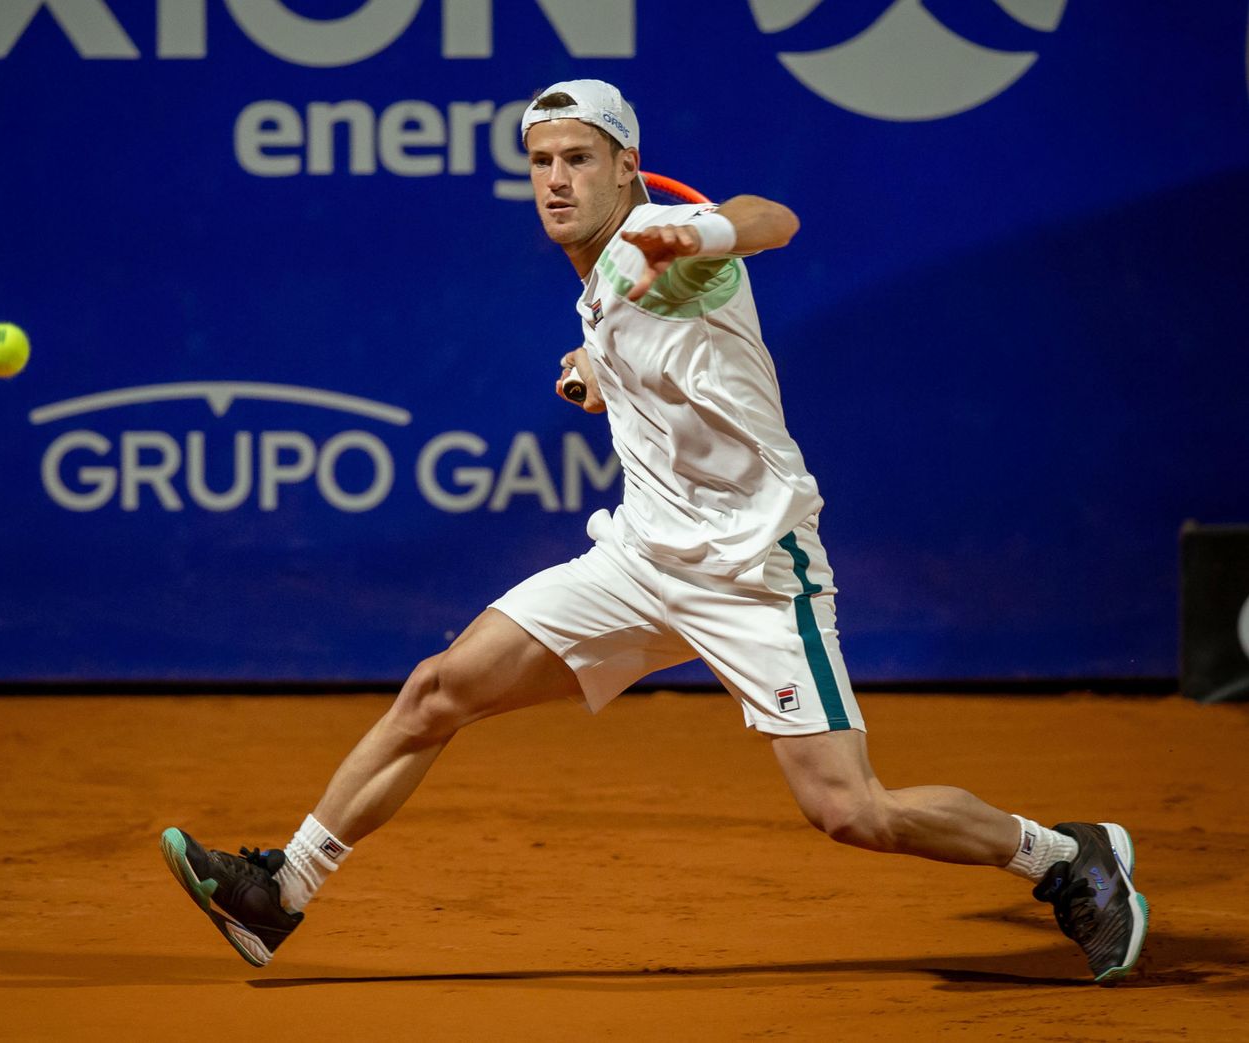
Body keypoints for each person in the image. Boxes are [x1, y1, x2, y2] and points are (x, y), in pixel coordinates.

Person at [160, 79, 1148, 984]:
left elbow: (776, 218)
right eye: (541, 161)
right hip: (641, 556)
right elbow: (637, 351)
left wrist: (702, 238)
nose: (556, 180)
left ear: (627, 166)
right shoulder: (597, 277)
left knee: (852, 811)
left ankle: (1066, 857)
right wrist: (597, 372)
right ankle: (280, 891)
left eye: (578, 158)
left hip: (755, 566)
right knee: (436, 687)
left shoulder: (661, 242)